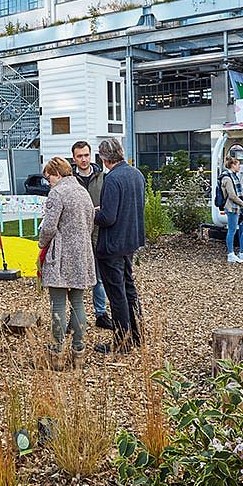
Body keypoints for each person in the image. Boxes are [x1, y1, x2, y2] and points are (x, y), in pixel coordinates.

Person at [38, 157, 97, 370]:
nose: (48, 182)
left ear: (57, 173)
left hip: (60, 255)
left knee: (59, 304)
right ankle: (79, 352)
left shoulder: (57, 193)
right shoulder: (83, 191)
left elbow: (49, 227)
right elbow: (90, 222)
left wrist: (41, 245)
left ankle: (57, 353)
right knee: (78, 303)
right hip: (82, 253)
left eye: (49, 177)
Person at [92, 138, 146, 354]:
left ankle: (122, 342)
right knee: (129, 288)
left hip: (113, 243)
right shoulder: (136, 174)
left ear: (103, 158)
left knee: (117, 294)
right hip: (130, 240)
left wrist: (93, 212)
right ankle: (137, 334)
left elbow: (108, 218)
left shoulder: (112, 179)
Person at [70, 140, 112, 331]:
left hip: (97, 232)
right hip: (76, 234)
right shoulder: (69, 179)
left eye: (86, 155)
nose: (83, 159)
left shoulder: (103, 177)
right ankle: (74, 317)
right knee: (73, 277)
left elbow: (109, 202)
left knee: (99, 277)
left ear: (91, 155)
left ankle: (101, 313)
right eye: (80, 156)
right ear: (74, 158)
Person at [221, 156, 243, 263]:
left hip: (238, 209)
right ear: (233, 165)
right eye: (238, 164)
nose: (239, 166)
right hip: (232, 208)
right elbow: (232, 195)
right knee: (232, 230)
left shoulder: (234, 176)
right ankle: (230, 254)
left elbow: (237, 190)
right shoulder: (227, 178)